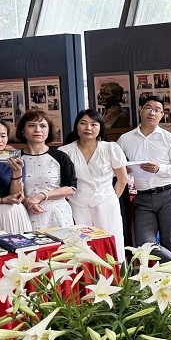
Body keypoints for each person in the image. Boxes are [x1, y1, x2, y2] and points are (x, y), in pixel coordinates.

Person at [117, 95, 171, 261]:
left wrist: (159, 168)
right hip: (143, 198)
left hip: (169, 194)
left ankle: (170, 275)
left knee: (169, 241)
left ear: (162, 115)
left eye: (157, 110)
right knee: (144, 244)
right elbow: (115, 165)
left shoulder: (169, 138)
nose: (152, 112)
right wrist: (123, 169)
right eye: (148, 107)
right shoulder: (125, 139)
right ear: (140, 110)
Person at [61, 109, 129, 258]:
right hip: (77, 203)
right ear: (76, 126)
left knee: (110, 245)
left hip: (106, 203)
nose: (88, 128)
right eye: (83, 123)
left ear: (100, 127)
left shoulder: (110, 148)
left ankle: (115, 273)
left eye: (93, 124)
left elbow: (123, 179)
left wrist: (110, 197)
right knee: (81, 247)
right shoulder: (65, 151)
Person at [17, 109, 77, 230]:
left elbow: (71, 188)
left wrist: (42, 195)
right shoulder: (17, 158)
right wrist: (28, 203)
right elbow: (12, 190)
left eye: (43, 126)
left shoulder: (60, 156)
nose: (37, 130)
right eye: (32, 125)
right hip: (28, 214)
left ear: (49, 130)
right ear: (23, 130)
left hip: (58, 214)